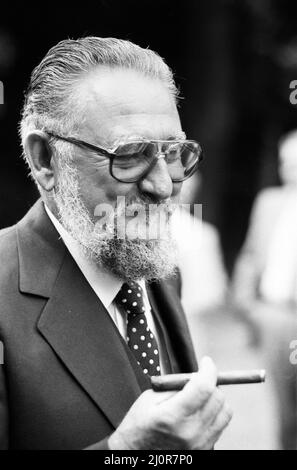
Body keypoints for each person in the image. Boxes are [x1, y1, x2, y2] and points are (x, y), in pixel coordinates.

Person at [0, 37, 232, 450]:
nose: (163, 186)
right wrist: (123, 454)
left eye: (175, 153)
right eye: (128, 155)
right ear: (45, 159)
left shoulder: (157, 271)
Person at [232, 130, 297, 449]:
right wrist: (247, 305)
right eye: (285, 162)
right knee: (284, 408)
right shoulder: (269, 202)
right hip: (271, 316)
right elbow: (250, 255)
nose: (288, 169)